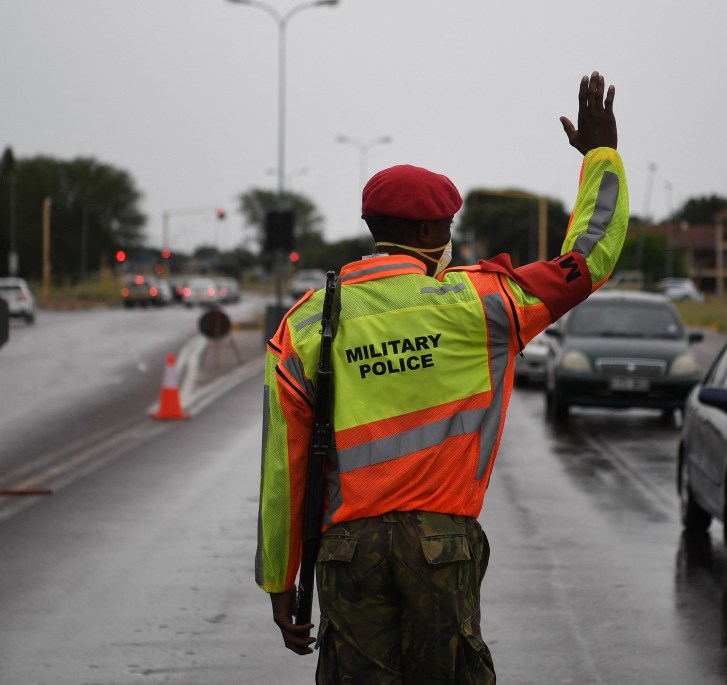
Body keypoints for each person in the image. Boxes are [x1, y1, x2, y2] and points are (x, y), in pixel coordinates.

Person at [256, 70, 628, 683]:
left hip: (347, 553)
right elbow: (591, 255)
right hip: (441, 546)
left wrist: (280, 580)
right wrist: (600, 157)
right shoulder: (484, 305)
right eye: (447, 230)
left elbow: (283, 467)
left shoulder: (303, 325)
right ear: (430, 233)